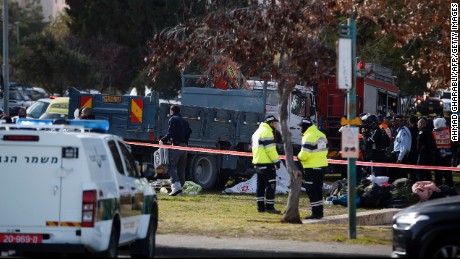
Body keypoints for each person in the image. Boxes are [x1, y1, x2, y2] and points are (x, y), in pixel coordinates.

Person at [297, 118, 328, 220]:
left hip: (311, 167)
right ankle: (320, 212)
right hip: (322, 166)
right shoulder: (321, 135)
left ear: (305, 127)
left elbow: (305, 154)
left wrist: (299, 157)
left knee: (310, 189)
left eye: (301, 127)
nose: (300, 129)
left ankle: (315, 213)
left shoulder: (308, 136)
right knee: (318, 189)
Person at [251, 115, 281, 214]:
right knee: (271, 185)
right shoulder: (267, 132)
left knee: (260, 186)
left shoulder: (256, 132)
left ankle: (260, 207)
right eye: (275, 123)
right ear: (270, 123)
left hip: (258, 163)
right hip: (267, 164)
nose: (276, 125)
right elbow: (270, 150)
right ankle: (270, 207)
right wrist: (276, 161)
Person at [159, 104, 191, 196]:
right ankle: (180, 189)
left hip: (176, 145)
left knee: (171, 166)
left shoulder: (173, 119)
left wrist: (163, 140)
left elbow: (171, 132)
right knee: (181, 169)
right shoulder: (185, 121)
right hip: (185, 147)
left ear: (171, 111)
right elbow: (189, 133)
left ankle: (176, 187)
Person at [389, 115, 412, 183]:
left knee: (401, 175)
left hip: (400, 155)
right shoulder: (400, 130)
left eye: (395, 121)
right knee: (398, 175)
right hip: (398, 154)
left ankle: (403, 190)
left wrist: (399, 158)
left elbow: (404, 146)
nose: (393, 123)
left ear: (399, 121)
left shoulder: (403, 131)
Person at [432, 117, 454, 187]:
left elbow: (432, 145)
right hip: (447, 156)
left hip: (438, 156)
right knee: (447, 173)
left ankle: (439, 187)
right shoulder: (449, 131)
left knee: (439, 173)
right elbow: (455, 143)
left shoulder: (433, 133)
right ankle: (450, 186)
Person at [407, 116, 419, 183]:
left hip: (411, 149)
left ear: (410, 122)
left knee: (411, 166)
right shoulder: (419, 129)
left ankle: (412, 180)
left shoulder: (409, 129)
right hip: (417, 150)